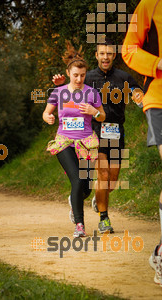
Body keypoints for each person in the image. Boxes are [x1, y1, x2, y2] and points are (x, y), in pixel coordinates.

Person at [53, 37, 142, 234]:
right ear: (96, 55)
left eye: (109, 53)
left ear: (114, 55)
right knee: (102, 175)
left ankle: (98, 199)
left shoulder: (124, 77)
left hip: (117, 132)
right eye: (102, 53)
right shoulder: (88, 77)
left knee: (111, 180)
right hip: (94, 133)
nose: (105, 57)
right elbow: (69, 88)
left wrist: (139, 97)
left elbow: (137, 91)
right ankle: (104, 218)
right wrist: (60, 84)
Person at [43, 42, 105, 237]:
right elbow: (46, 113)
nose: (79, 79)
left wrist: (95, 112)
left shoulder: (91, 93)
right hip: (64, 142)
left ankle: (74, 201)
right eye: (75, 75)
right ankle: (80, 225)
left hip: (86, 142)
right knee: (77, 181)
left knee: (85, 187)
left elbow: (102, 116)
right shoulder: (58, 93)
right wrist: (49, 118)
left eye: (82, 75)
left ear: (86, 74)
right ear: (69, 73)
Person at [122, 0, 162, 286]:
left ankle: (159, 249)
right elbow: (129, 48)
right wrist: (157, 63)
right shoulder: (151, 4)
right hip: (160, 97)